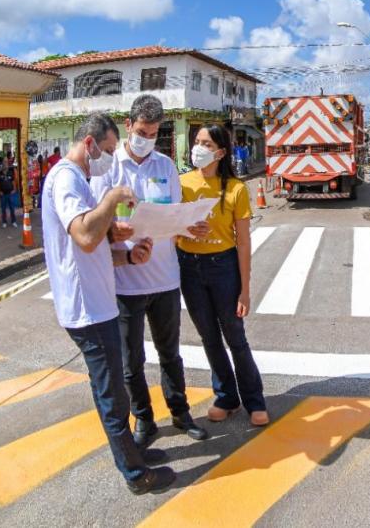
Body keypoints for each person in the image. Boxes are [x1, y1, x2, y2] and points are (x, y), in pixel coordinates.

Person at [41, 112, 175, 494]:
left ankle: (132, 454)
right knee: (112, 395)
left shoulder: (79, 180)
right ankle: (136, 474)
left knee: (112, 388)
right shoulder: (66, 177)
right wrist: (114, 196)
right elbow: (84, 236)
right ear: (89, 144)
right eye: (109, 150)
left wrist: (128, 257)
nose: (110, 158)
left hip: (98, 302)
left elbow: (95, 245)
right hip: (88, 310)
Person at [90, 95, 210, 448]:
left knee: (170, 353)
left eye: (154, 133)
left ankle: (180, 411)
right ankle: (143, 418)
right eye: (142, 131)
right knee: (132, 361)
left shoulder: (165, 166)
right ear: (128, 126)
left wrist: (190, 227)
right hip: (125, 282)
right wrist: (117, 233)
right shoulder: (110, 168)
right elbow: (97, 222)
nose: (147, 139)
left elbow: (172, 216)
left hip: (165, 279)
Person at [178, 125, 268, 426]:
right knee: (209, 337)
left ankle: (254, 399)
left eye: (206, 143)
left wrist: (244, 289)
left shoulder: (236, 189)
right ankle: (227, 397)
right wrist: (184, 228)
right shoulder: (180, 184)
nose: (198, 148)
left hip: (224, 267)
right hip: (189, 267)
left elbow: (243, 242)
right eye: (197, 142)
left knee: (235, 336)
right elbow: (169, 224)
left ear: (220, 152)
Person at [0, 155, 18, 228]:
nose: (5, 163)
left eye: (6, 162)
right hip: (3, 194)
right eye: (4, 162)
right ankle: (4, 222)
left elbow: (13, 182)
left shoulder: (10, 173)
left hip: (10, 193)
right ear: (2, 163)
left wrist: (14, 189)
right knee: (3, 209)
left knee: (12, 208)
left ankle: (14, 221)